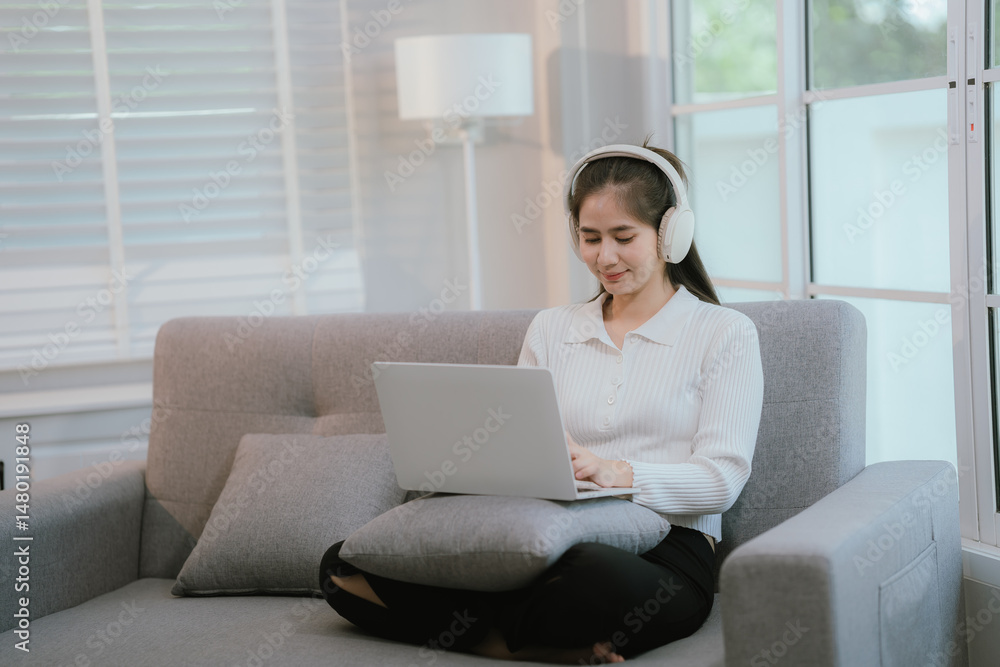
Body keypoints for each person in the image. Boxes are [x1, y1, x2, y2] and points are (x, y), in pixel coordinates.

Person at [318, 137, 764, 664]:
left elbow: (721, 481)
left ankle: (500, 629)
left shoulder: (724, 333)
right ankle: (530, 644)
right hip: (545, 533)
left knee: (588, 577)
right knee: (341, 565)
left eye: (624, 237)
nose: (605, 257)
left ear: (671, 234)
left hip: (665, 547)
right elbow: (515, 444)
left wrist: (614, 471)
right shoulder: (553, 328)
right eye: (590, 237)